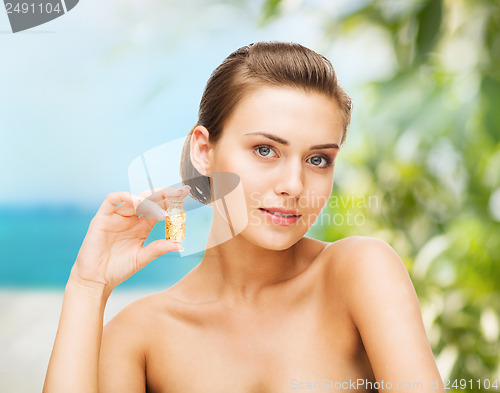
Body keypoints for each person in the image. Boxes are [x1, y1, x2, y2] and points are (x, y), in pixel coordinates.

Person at [43, 41, 445, 393]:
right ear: (203, 150)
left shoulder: (359, 272)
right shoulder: (141, 335)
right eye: (265, 150)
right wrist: (87, 285)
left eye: (318, 159)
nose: (294, 185)